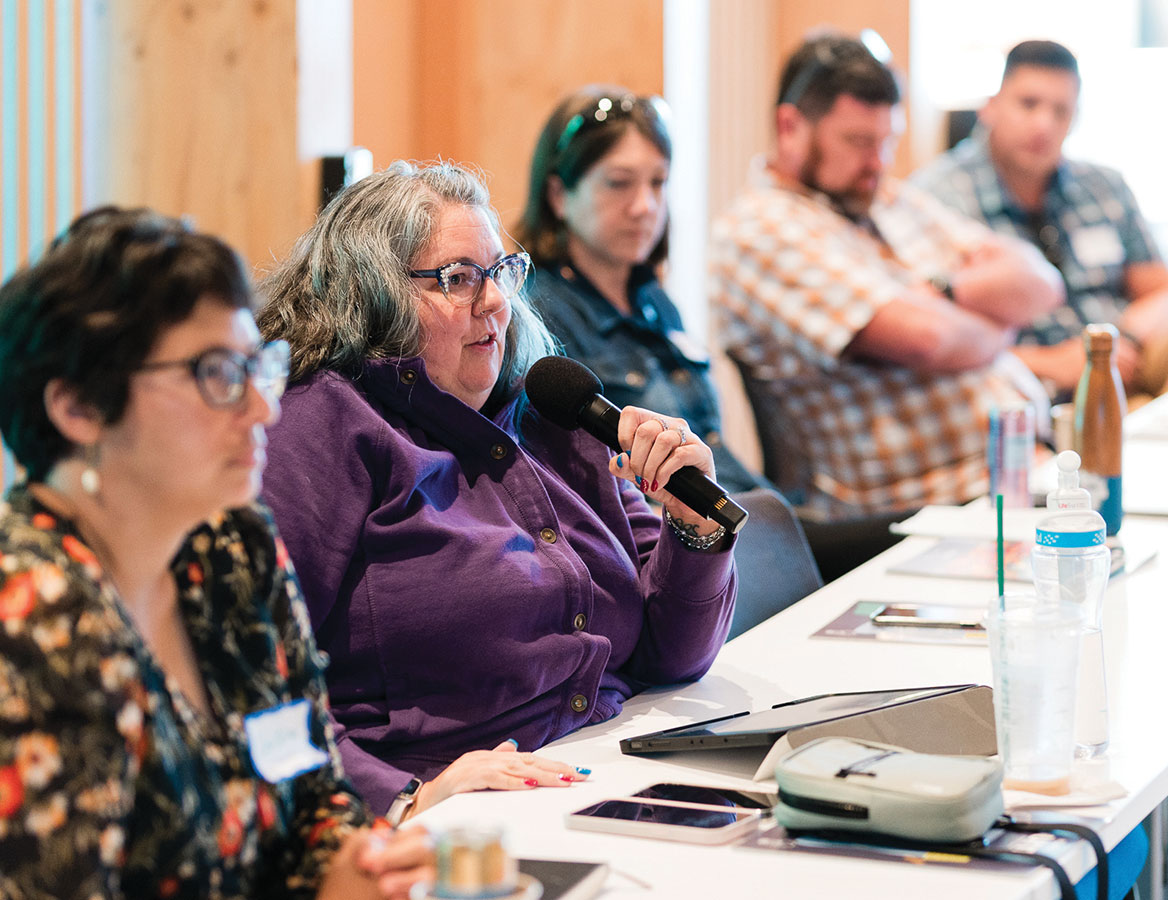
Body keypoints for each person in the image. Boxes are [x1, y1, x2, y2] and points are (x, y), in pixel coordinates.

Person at [256, 160, 736, 819]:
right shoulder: (318, 426)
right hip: (445, 820)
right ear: (374, 296)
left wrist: (692, 524)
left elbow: (672, 657)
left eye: (502, 272)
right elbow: (254, 684)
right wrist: (403, 800)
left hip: (602, 772)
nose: (495, 303)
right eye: (458, 279)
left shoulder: (551, 412)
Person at [0, 208, 432, 899]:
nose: (263, 410)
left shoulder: (235, 547)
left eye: (257, 367)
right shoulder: (31, 613)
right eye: (216, 373)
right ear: (78, 408)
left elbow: (312, 793)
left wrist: (355, 865)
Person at [709, 32, 1064, 521]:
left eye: (887, 141)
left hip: (1015, 478)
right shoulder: (760, 229)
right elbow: (928, 340)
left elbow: (1041, 282)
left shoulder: (887, 199)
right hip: (920, 512)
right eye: (857, 142)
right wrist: (999, 324)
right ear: (790, 126)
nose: (878, 163)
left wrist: (945, 293)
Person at [911, 39, 1168, 404]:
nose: (1043, 124)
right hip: (1026, 384)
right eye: (1028, 104)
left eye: (1060, 110)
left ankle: (1142, 430)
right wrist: (1051, 363)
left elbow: (1160, 292)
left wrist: (1114, 345)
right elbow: (932, 340)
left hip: (1121, 360)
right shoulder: (934, 200)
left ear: (1075, 118)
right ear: (991, 107)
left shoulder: (1104, 186)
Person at [515, 85, 765, 494]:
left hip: (743, 506)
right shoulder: (538, 314)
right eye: (619, 183)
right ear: (559, 196)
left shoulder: (654, 300)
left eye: (658, 183)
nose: (645, 206)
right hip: (669, 534)